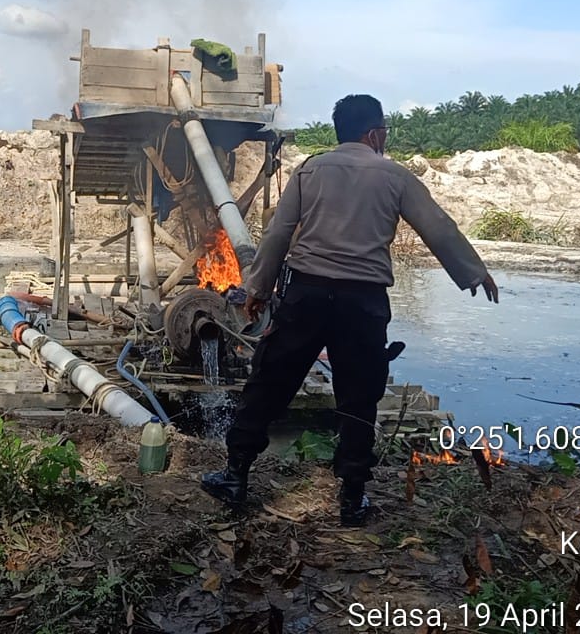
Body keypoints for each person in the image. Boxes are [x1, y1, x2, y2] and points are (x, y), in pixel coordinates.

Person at [201, 94, 500, 526]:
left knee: (269, 384)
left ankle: (235, 476)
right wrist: (475, 273)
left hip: (305, 295)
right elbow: (438, 227)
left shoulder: (309, 170)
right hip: (362, 305)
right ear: (375, 133)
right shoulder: (395, 177)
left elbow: (278, 234)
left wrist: (257, 289)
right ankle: (352, 497)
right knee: (359, 398)